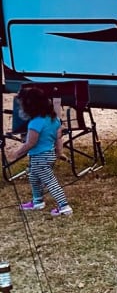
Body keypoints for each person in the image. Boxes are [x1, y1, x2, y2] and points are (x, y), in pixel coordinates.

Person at [5, 86, 72, 216]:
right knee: (34, 178)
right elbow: (58, 138)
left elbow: (31, 142)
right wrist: (60, 153)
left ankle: (64, 206)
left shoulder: (35, 123)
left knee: (50, 182)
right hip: (48, 156)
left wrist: (17, 153)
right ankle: (37, 202)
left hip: (39, 158)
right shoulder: (55, 119)